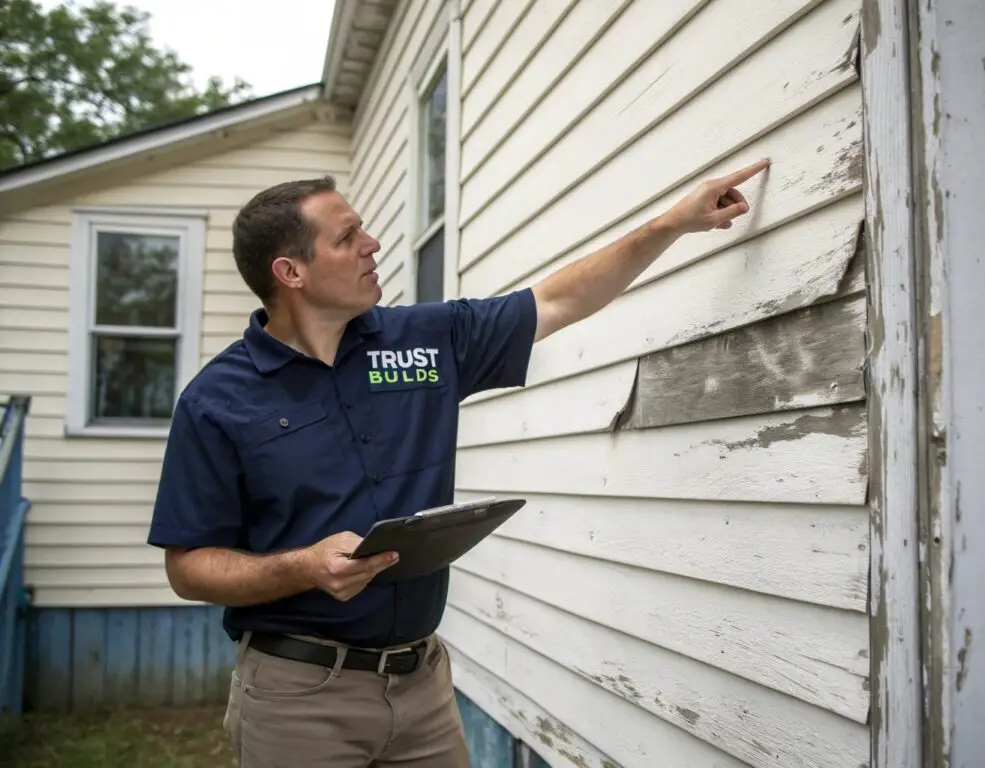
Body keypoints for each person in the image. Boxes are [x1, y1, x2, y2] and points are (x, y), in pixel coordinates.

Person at [147, 157, 770, 767]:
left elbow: (557, 301)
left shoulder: (424, 339)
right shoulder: (217, 400)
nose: (373, 243)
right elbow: (190, 567)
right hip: (300, 697)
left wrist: (671, 224)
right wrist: (305, 567)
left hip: (423, 687)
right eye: (347, 238)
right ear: (291, 272)